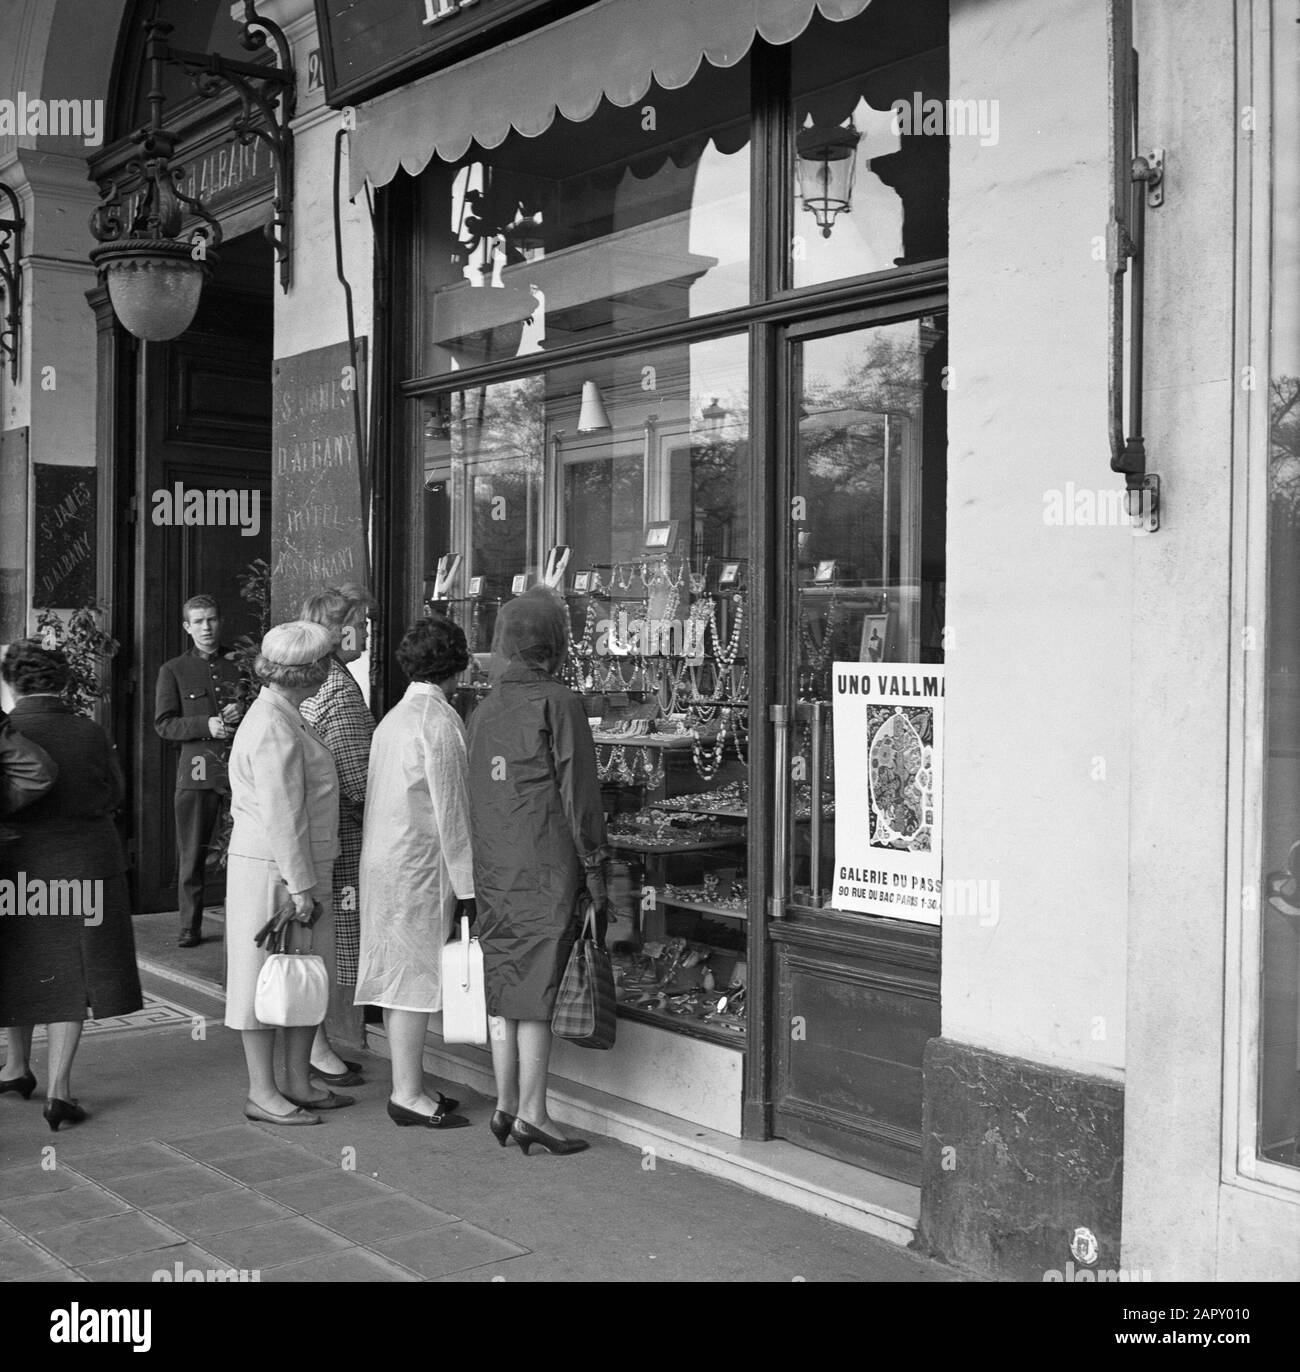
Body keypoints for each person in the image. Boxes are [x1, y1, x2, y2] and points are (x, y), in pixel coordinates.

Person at [468, 587, 608, 1156]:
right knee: (540, 987)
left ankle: (506, 1105)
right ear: (554, 644)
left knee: (506, 987)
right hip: (547, 863)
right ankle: (535, 1113)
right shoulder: (560, 703)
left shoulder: (482, 708)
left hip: (496, 867)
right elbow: (580, 799)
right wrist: (598, 873)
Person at [0, 641, 142, 1130]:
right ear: (61, 680)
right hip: (85, 862)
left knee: (21, 963)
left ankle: (16, 1066)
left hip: (16, 867)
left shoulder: (8, 730)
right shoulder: (89, 730)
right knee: (73, 972)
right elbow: (116, 794)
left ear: (12, 683)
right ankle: (59, 1092)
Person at [224, 621, 348, 1125]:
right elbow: (282, 815)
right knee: (260, 983)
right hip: (277, 874)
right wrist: (300, 888)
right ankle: (263, 1092)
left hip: (291, 871)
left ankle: (296, 1081)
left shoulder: (283, 714)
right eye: (325, 662)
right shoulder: (275, 725)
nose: (330, 669)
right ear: (309, 671)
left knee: (301, 980)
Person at [355, 617, 474, 1129]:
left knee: (396, 974)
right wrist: (470, 887)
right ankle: (407, 1093)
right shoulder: (440, 722)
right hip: (418, 866)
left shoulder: (395, 717)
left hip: (384, 860)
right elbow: (454, 811)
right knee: (412, 979)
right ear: (458, 666)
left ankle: (410, 1086)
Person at [300, 584, 378, 1087]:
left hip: (313, 835)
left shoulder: (317, 681)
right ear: (344, 630)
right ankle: (314, 1047)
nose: (369, 631)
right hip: (339, 839)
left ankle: (313, 1045)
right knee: (323, 945)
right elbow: (356, 783)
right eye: (365, 622)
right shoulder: (340, 689)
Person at [155, 594, 244, 948]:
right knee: (192, 850)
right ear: (186, 627)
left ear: (219, 621)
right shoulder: (173, 670)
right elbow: (164, 725)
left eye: (211, 619)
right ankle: (189, 925)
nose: (206, 627)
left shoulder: (240, 664)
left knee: (242, 847)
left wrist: (243, 708)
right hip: (197, 769)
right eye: (199, 622)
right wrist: (206, 723)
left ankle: (238, 919)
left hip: (240, 767)